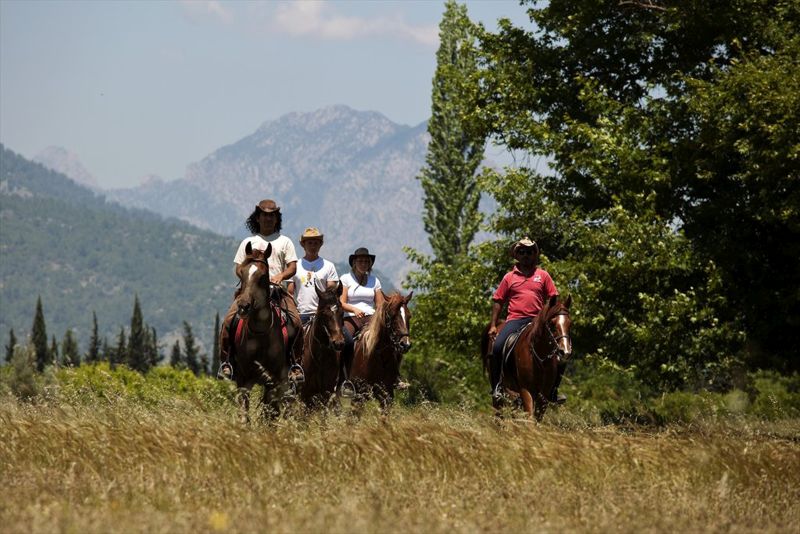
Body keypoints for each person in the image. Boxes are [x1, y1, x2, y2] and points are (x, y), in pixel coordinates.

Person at [218, 199, 301, 380]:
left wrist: (280, 276)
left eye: (271, 216)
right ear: (258, 218)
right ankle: (227, 362)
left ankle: (295, 364)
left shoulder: (284, 242)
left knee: (296, 322)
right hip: (248, 291)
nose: (268, 219)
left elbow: (293, 268)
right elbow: (238, 268)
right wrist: (248, 278)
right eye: (264, 215)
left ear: (276, 219)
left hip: (276, 291)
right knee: (228, 321)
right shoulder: (248, 242)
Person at [487, 237, 564, 403]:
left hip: (537, 321)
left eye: (529, 252)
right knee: (497, 348)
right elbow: (498, 300)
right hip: (514, 319)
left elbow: (553, 298)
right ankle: (497, 388)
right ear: (517, 255)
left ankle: (553, 390)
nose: (526, 255)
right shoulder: (509, 277)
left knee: (560, 351)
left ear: (535, 254)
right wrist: (493, 325)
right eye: (522, 252)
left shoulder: (543, 275)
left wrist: (549, 318)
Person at [339, 247, 384, 367]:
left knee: (388, 339)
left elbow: (379, 305)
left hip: (371, 318)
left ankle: (392, 373)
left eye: (366, 262)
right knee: (346, 341)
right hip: (351, 317)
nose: (363, 264)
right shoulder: (345, 279)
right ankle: (343, 371)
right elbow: (341, 303)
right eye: (360, 261)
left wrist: (377, 318)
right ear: (354, 263)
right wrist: (354, 309)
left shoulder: (375, 281)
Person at [288, 227, 340, 325]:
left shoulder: (329, 266)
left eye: (316, 243)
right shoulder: (294, 266)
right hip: (300, 314)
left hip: (323, 314)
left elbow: (331, 293)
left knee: (347, 340)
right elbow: (290, 292)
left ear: (320, 244)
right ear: (303, 245)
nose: (313, 246)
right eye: (309, 243)